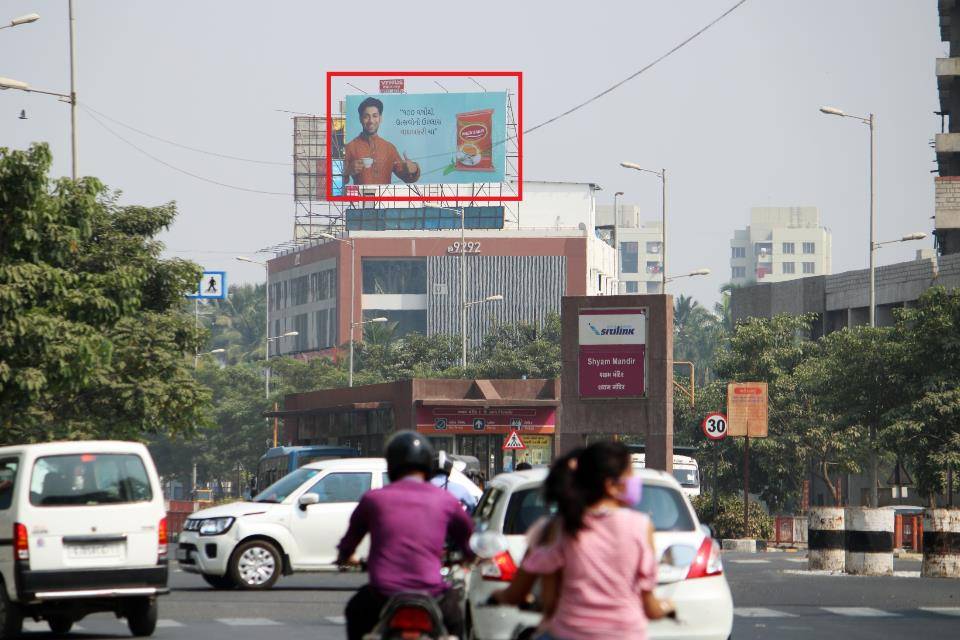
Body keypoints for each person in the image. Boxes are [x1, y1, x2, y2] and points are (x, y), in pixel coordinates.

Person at [518, 441, 673, 640]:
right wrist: (668, 606)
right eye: (630, 474)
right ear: (610, 485)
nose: (635, 481)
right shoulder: (641, 526)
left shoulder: (559, 527)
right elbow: (650, 604)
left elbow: (547, 599)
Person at [337, 431, 473, 640]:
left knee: (354, 610)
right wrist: (470, 557)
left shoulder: (373, 499)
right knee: (456, 619)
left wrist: (344, 557)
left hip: (382, 593)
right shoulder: (445, 499)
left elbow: (349, 542)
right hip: (432, 591)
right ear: (427, 465)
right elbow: (469, 538)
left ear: (391, 465)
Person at [344, 97, 420, 186]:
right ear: (360, 119)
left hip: (385, 199)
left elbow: (407, 178)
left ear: (380, 118)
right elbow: (334, 184)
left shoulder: (389, 148)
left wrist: (414, 169)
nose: (371, 121)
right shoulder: (350, 147)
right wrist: (347, 171)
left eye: (375, 116)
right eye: (366, 116)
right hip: (361, 199)